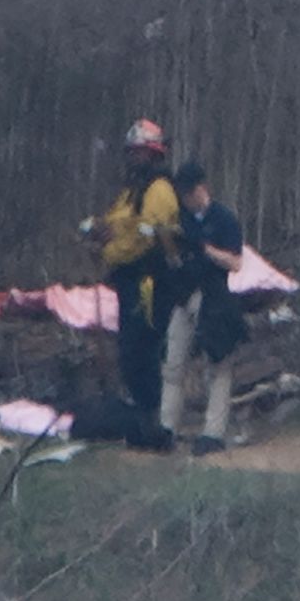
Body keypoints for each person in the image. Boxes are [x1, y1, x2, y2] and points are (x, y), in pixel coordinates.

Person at [89, 120, 184, 428]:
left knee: (141, 345)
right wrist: (99, 230)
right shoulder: (132, 192)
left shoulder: (159, 190)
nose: (132, 159)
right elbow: (118, 222)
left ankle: (152, 414)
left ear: (153, 154)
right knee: (132, 344)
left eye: (138, 153)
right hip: (131, 279)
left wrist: (116, 243)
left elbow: (147, 234)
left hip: (149, 280)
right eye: (131, 153)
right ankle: (143, 411)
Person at [167, 162, 252, 452]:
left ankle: (213, 433)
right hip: (183, 296)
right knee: (173, 365)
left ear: (201, 189)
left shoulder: (224, 219)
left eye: (189, 193)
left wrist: (205, 249)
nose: (186, 199)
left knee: (218, 367)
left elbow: (236, 263)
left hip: (213, 298)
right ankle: (167, 429)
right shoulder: (180, 218)